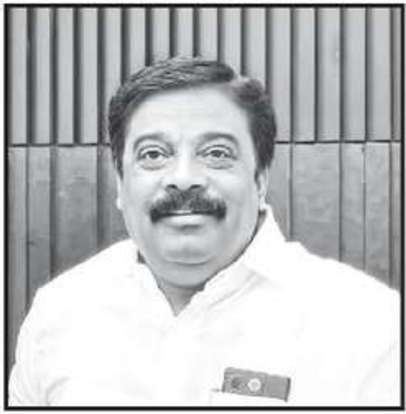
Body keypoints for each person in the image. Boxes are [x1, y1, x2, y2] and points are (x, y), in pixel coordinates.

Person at [9, 57, 400, 407]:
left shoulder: (366, 322)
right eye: (153, 154)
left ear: (260, 178)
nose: (183, 178)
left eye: (216, 153)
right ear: (120, 183)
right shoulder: (59, 311)